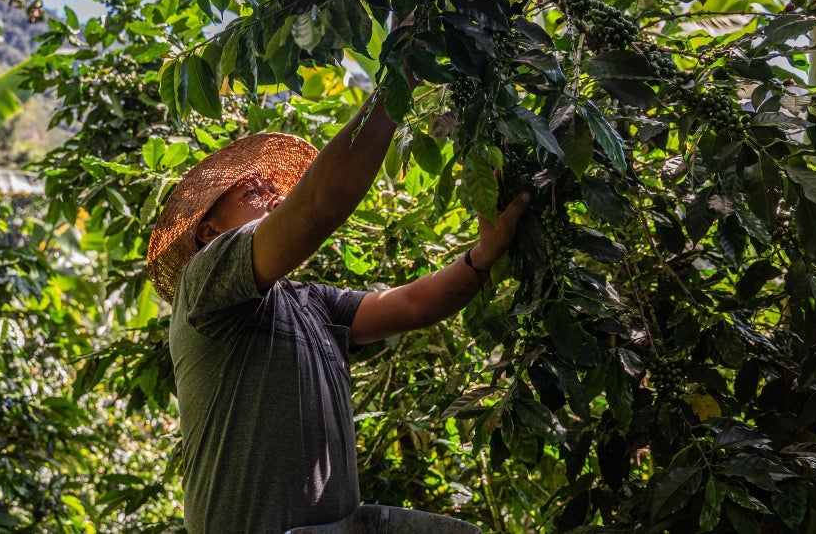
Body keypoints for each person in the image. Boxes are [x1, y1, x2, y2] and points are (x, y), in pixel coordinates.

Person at [146, 75, 530, 533]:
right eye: (252, 193)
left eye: (274, 191)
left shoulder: (310, 303)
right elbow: (321, 203)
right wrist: (400, 80)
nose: (272, 197)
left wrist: (482, 257)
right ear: (208, 232)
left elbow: (409, 306)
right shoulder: (205, 278)